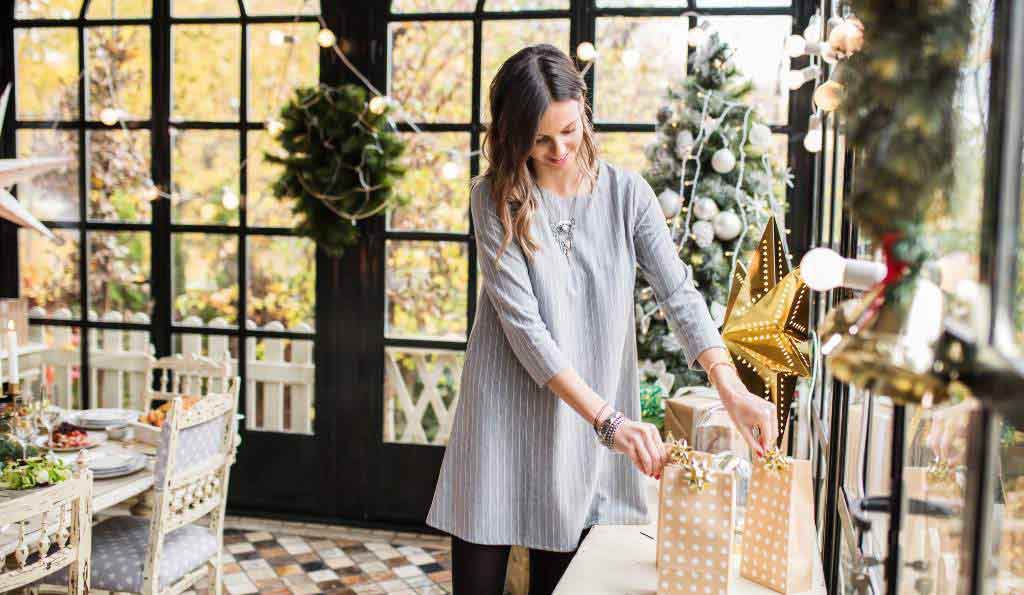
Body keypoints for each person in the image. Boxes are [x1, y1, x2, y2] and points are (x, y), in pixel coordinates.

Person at [426, 44, 777, 595]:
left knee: (563, 585)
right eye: (540, 139)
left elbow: (679, 293)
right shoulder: (494, 198)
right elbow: (525, 330)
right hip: (504, 415)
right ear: (515, 136)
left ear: (583, 108)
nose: (559, 149)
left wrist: (729, 388)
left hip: (580, 430)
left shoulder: (626, 195)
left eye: (568, 129)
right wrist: (609, 421)